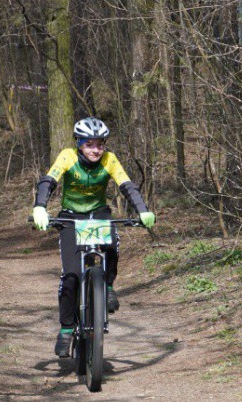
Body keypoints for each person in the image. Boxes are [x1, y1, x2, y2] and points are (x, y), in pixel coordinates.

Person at [32, 117, 156, 358]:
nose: (96, 150)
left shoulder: (109, 160)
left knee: (111, 245)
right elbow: (49, 181)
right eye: (89, 144)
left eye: (100, 144)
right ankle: (67, 329)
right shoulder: (67, 157)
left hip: (98, 214)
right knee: (70, 276)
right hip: (71, 217)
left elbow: (127, 185)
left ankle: (107, 285)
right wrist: (40, 207)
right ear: (79, 144)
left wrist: (142, 210)